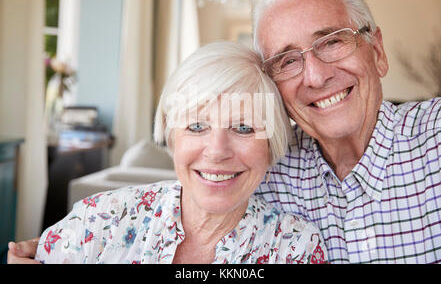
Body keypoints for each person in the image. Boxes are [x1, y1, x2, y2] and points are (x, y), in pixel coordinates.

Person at [17, 41, 327, 264]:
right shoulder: (99, 219)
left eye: (243, 128)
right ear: (172, 136)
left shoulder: (294, 248)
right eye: (196, 126)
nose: (217, 151)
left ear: (271, 145)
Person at [252, 0, 441, 263]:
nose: (316, 77)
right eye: (288, 61)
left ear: (377, 52)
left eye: (331, 42)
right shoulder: (263, 172)